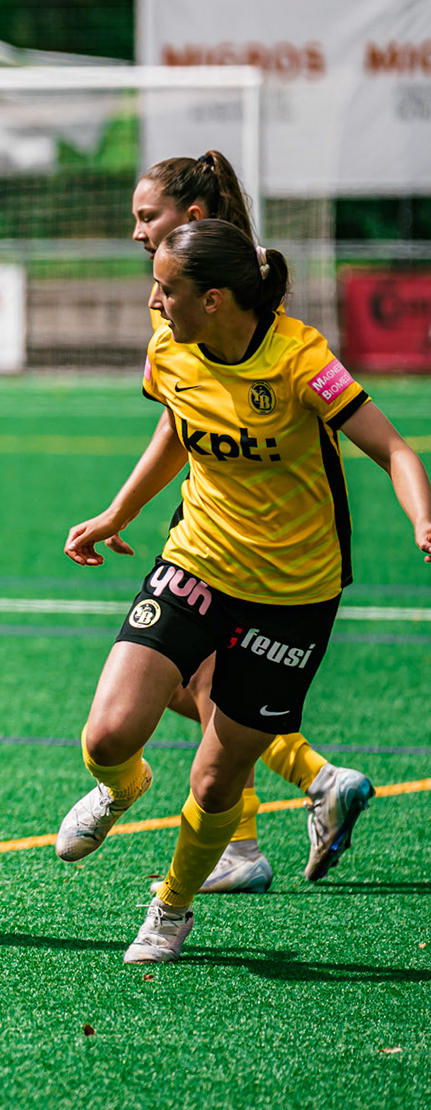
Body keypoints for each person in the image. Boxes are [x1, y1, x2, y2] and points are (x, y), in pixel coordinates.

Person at [59, 219, 431, 964]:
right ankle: (122, 787)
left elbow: (392, 447)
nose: (153, 302)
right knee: (106, 737)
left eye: (166, 289)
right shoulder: (170, 348)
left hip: (292, 596)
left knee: (216, 776)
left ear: (215, 299)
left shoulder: (300, 359)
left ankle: (171, 908)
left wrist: (424, 520)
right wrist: (117, 513)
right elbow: (180, 427)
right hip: (197, 562)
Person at [130, 151, 374, 892]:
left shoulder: (234, 297)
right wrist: (119, 510)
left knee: (207, 685)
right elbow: (181, 411)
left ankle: (245, 840)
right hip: (211, 514)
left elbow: (359, 429)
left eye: (147, 217)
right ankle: (307, 785)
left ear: (192, 221)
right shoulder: (175, 294)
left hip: (264, 538)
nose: (136, 232)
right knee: (192, 685)